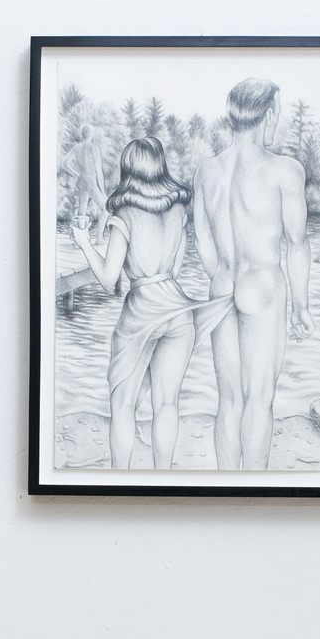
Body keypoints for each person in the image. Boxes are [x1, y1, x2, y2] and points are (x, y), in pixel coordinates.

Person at [71, 137, 231, 470]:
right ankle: (163, 476)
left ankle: (120, 478)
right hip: (178, 313)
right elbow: (174, 270)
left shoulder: (123, 216)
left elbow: (108, 279)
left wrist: (84, 242)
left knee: (123, 406)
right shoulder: (177, 211)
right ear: (160, 165)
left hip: (140, 315)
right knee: (167, 404)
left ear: (128, 168)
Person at [193, 79, 314, 470]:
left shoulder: (207, 171)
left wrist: (220, 275)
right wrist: (301, 306)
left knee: (229, 401)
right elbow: (296, 243)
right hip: (262, 286)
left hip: (222, 285)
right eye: (277, 111)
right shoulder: (285, 170)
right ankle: (254, 485)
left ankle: (227, 483)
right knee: (258, 399)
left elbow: (202, 237)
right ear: (269, 114)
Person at [61, 125, 108, 237]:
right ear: (91, 134)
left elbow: (65, 164)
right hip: (91, 181)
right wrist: (103, 191)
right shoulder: (94, 149)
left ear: (82, 134)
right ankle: (99, 238)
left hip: (82, 181)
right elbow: (98, 172)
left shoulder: (77, 148)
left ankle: (79, 238)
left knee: (81, 212)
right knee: (105, 209)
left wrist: (76, 174)